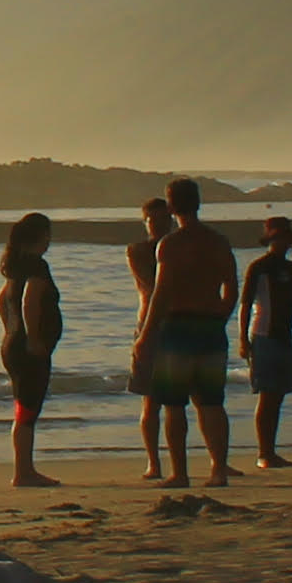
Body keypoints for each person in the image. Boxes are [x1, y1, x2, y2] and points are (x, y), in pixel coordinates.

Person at [137, 179, 239, 485]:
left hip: (179, 326)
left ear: (170, 208)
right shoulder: (218, 241)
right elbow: (232, 288)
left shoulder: (172, 244)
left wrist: (146, 334)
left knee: (174, 403)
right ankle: (218, 469)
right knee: (211, 401)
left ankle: (180, 472)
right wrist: (221, 315)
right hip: (209, 324)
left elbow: (162, 293)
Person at [0, 212, 62, 488]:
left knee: (24, 408)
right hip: (27, 349)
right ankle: (24, 472)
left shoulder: (15, 266)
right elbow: (29, 299)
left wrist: (10, 330)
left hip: (13, 345)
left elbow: (2, 300)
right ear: (40, 236)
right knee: (28, 410)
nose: (49, 241)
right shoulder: (37, 266)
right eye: (47, 235)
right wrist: (33, 336)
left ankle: (24, 469)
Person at [238, 214, 292, 471]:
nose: (281, 243)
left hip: (284, 336)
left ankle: (271, 451)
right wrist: (242, 338)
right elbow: (245, 304)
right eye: (275, 238)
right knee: (267, 396)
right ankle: (264, 453)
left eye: (284, 238)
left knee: (277, 396)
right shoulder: (259, 267)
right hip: (263, 335)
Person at [122, 195, 173, 479]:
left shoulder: (178, 248)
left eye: (165, 220)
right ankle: (154, 462)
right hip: (149, 327)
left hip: (178, 324)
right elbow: (152, 287)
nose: (161, 225)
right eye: (154, 221)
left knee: (195, 396)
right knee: (151, 399)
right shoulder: (139, 251)